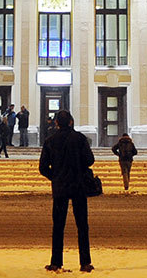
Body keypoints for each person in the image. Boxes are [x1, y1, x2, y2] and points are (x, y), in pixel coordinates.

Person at [39, 108, 94, 273]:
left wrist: (55, 176)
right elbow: (90, 160)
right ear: (70, 122)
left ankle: (56, 262)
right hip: (78, 187)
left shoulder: (50, 141)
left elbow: (42, 168)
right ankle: (85, 263)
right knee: (82, 226)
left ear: (56, 123)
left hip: (60, 188)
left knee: (58, 226)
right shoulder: (80, 138)